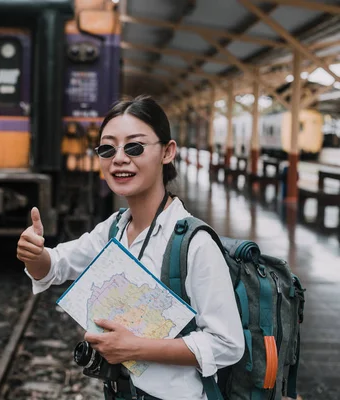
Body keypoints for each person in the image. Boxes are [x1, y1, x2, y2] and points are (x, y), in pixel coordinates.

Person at [16, 95, 244, 400]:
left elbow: (228, 344)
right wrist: (35, 254)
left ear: (167, 152)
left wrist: (135, 348)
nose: (119, 158)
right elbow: (55, 266)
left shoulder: (194, 244)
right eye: (108, 148)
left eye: (134, 147)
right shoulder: (114, 228)